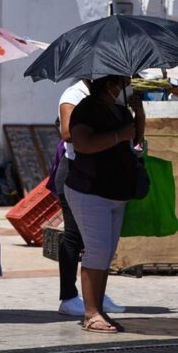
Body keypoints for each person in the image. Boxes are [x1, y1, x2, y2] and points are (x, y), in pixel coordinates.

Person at [64, 75, 145, 333]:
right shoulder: (86, 110)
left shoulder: (119, 110)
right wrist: (118, 135)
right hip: (90, 191)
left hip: (115, 193)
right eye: (122, 84)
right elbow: (82, 143)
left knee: (106, 254)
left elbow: (134, 139)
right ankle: (91, 314)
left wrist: (138, 112)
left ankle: (99, 309)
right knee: (97, 251)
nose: (125, 88)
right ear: (110, 86)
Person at [56, 80, 125, 316]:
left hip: (102, 174)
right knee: (75, 237)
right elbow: (67, 132)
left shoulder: (115, 101)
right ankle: (69, 296)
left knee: (100, 243)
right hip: (77, 171)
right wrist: (111, 134)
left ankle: (96, 294)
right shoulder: (74, 95)